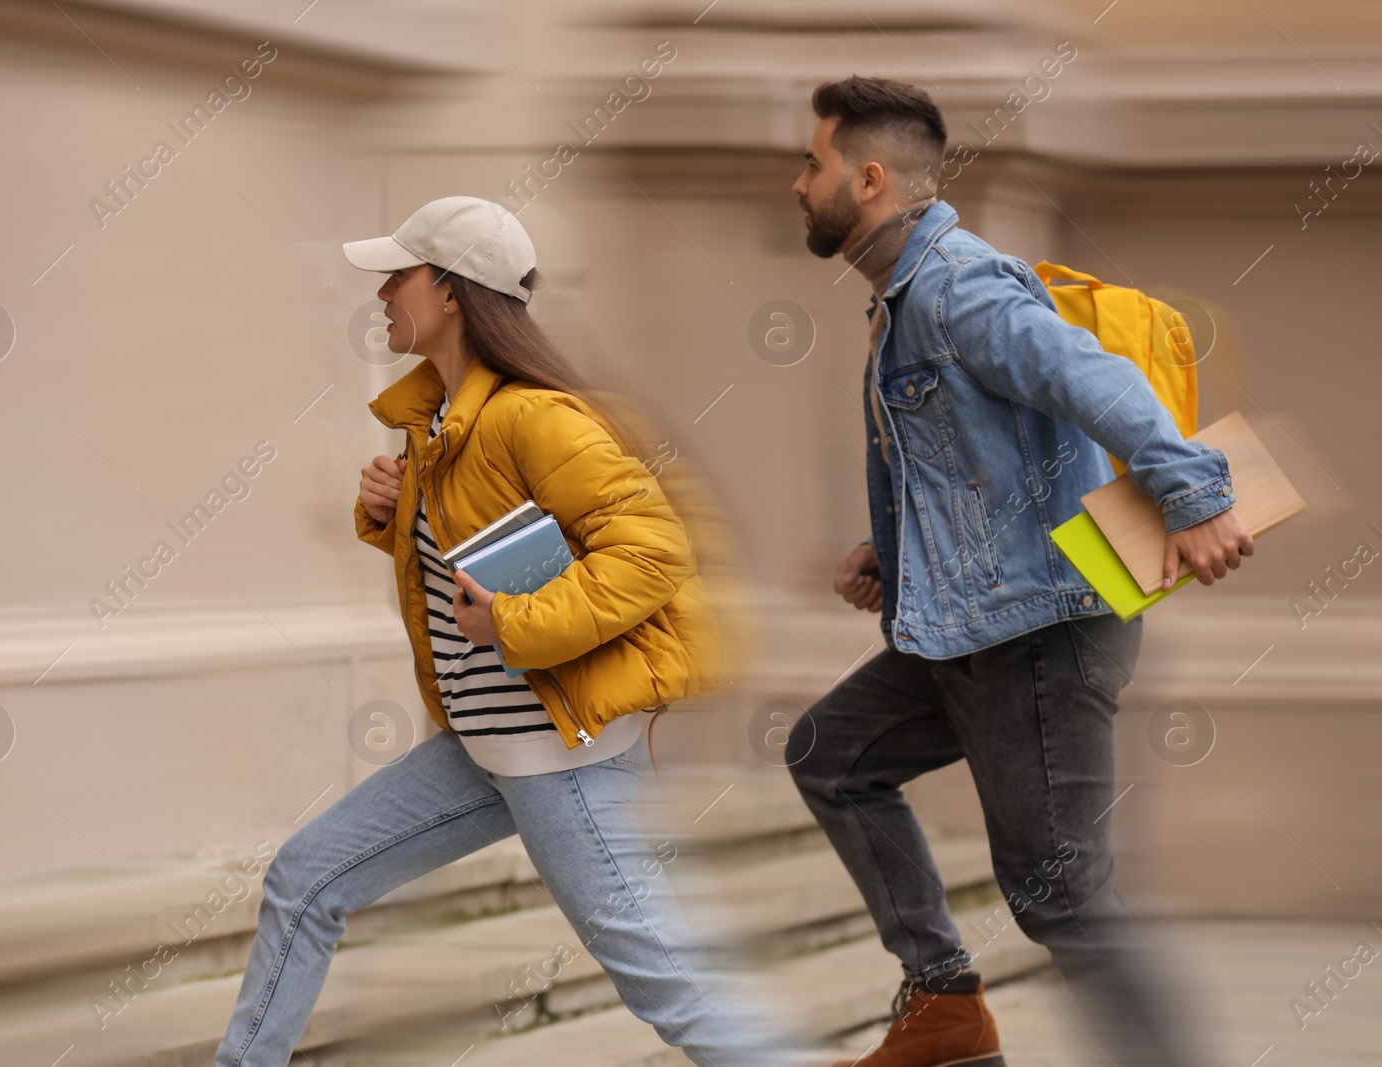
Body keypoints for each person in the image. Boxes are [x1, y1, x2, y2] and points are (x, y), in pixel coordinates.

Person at [214, 196, 792, 1067]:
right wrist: (387, 510)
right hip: (487, 745)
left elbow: (653, 551)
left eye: (398, 274)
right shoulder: (439, 424)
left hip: (564, 756)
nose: (380, 291)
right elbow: (470, 554)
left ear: (451, 292)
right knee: (305, 879)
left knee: (669, 987)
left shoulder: (533, 415)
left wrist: (514, 621)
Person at [782, 77, 1251, 1067]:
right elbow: (971, 454)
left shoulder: (957, 285)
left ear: (866, 179)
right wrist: (899, 549)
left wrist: (1194, 494)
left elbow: (1093, 378)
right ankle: (944, 1004)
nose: (796, 182)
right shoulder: (904, 295)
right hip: (970, 620)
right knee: (831, 752)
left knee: (1063, 896)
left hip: (1036, 632)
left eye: (811, 163)